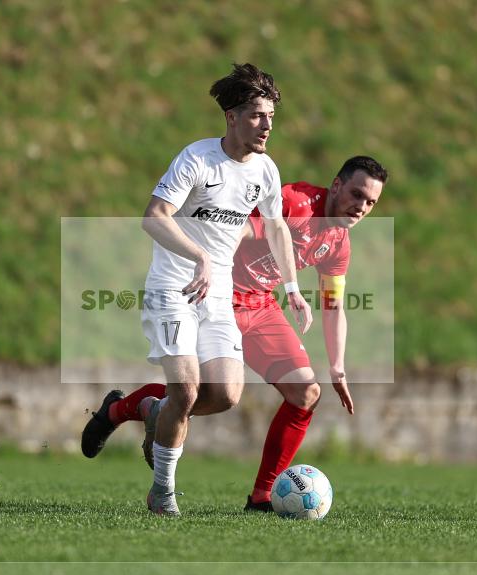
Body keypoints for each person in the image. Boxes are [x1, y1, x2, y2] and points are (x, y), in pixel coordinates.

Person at [84, 155, 388, 512]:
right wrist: (205, 263)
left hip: (259, 308)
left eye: (371, 203)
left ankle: (263, 495)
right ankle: (120, 410)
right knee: (203, 394)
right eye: (357, 195)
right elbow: (242, 229)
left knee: (306, 392)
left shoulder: (338, 242)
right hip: (217, 297)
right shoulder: (295, 202)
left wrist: (337, 366)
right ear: (336, 185)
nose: (361, 207)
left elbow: (333, 304)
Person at [81, 63, 311, 517]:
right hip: (173, 287)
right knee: (185, 391)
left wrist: (294, 287)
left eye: (270, 117)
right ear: (231, 116)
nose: (266, 125)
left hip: (219, 295)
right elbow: (154, 216)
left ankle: (150, 411)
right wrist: (201, 257)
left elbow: (278, 228)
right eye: (256, 115)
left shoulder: (265, 170)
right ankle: (162, 493)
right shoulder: (198, 159)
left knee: (224, 395)